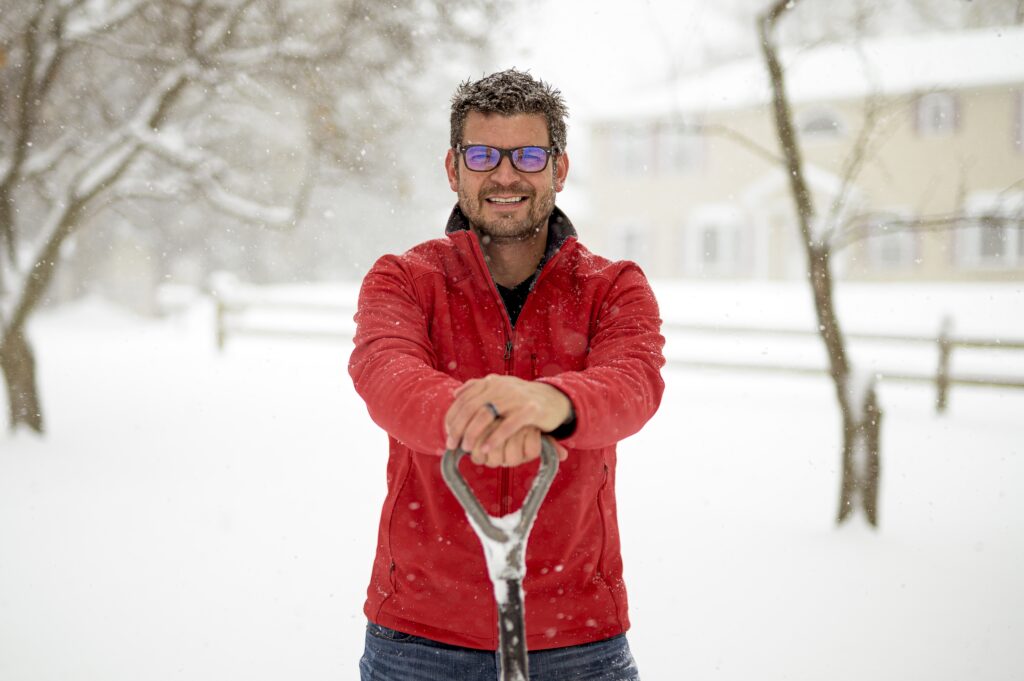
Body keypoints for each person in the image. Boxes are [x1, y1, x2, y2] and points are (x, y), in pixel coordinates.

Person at [349, 69, 665, 681]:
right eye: (482, 155)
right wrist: (487, 415)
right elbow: (386, 376)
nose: (505, 175)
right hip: (420, 635)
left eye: (526, 154)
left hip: (577, 637)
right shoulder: (404, 279)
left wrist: (547, 402)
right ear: (453, 168)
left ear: (559, 168)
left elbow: (635, 382)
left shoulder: (613, 286)